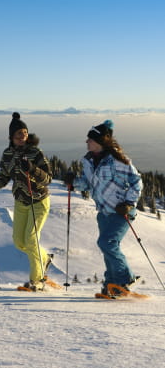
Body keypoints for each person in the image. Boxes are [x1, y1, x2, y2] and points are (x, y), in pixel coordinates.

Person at [65, 120, 142, 297]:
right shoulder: (89, 161)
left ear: (99, 142)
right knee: (107, 248)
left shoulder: (117, 161)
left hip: (121, 211)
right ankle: (111, 285)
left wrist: (129, 203)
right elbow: (87, 183)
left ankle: (124, 279)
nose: (87, 142)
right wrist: (73, 181)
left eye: (90, 140)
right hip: (104, 212)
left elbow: (136, 181)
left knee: (107, 243)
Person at [0, 112, 53, 291]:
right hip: (21, 201)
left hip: (38, 200)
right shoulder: (7, 154)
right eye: (19, 134)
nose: (23, 137)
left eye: (25, 133)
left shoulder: (35, 153)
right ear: (11, 137)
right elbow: (4, 176)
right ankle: (45, 258)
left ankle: (37, 280)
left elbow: (48, 179)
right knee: (19, 242)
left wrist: (33, 169)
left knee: (30, 239)